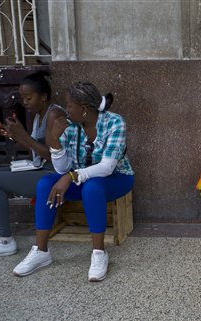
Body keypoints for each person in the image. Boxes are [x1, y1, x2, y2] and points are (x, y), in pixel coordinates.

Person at [12, 81, 134, 282]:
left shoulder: (115, 122)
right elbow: (61, 168)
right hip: (81, 178)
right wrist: (55, 141)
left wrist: (71, 177)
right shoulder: (70, 127)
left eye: (69, 106)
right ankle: (41, 252)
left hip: (117, 178)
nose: (65, 111)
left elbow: (107, 167)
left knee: (93, 188)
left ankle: (99, 254)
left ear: (84, 108)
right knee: (45, 184)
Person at [0, 71, 66, 258]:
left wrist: (23, 136)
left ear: (43, 97)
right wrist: (14, 135)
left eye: (29, 97)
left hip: (57, 174)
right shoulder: (39, 115)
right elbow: (36, 149)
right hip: (43, 168)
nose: (25, 102)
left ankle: (5, 240)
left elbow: (55, 157)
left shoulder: (54, 115)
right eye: (22, 98)